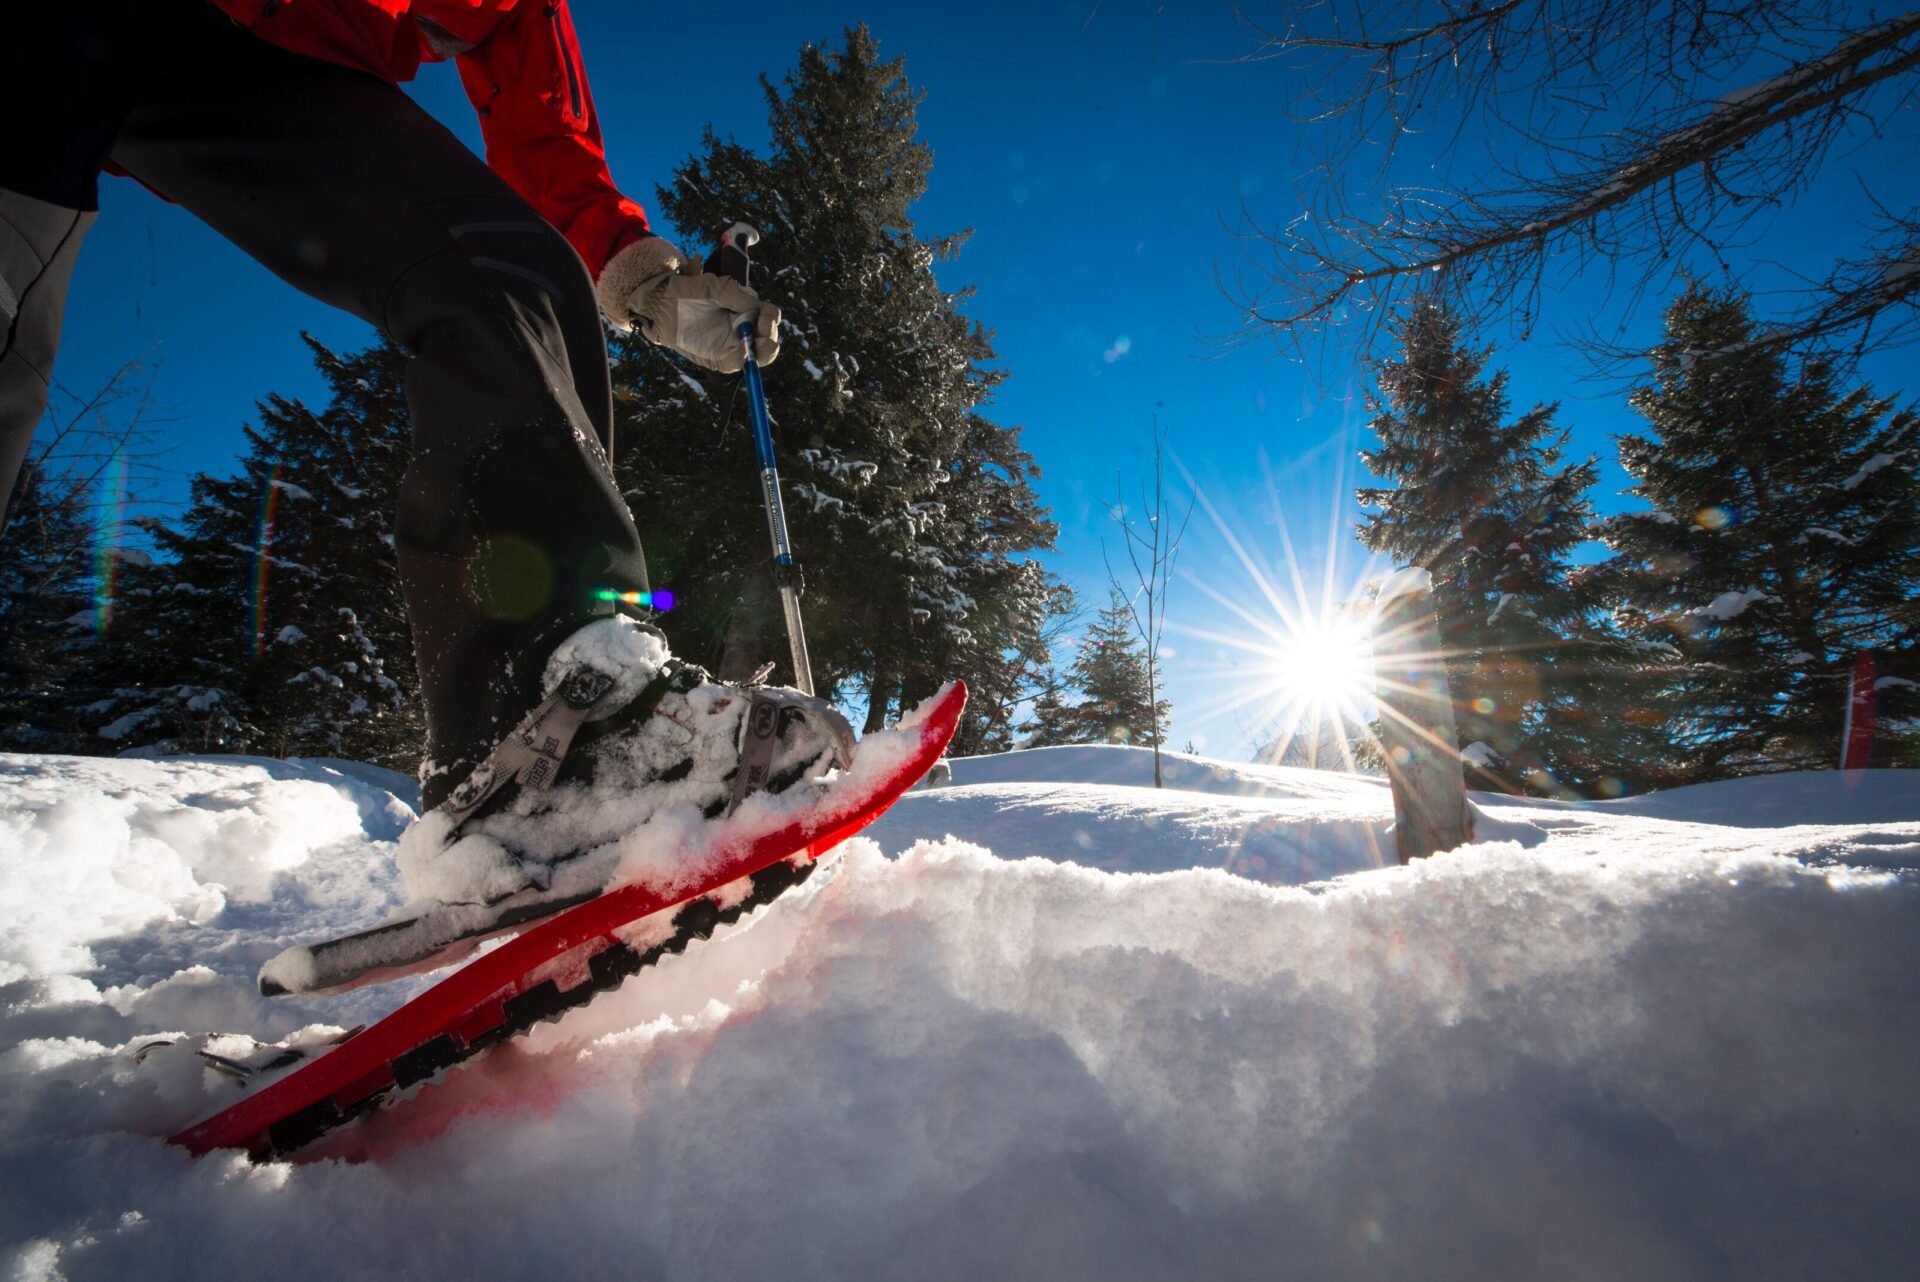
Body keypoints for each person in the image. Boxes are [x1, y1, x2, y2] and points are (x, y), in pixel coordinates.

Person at [1, 2, 853, 932]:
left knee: (517, 270)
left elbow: (539, 115)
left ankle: (541, 759)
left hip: (260, 67)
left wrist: (631, 268)